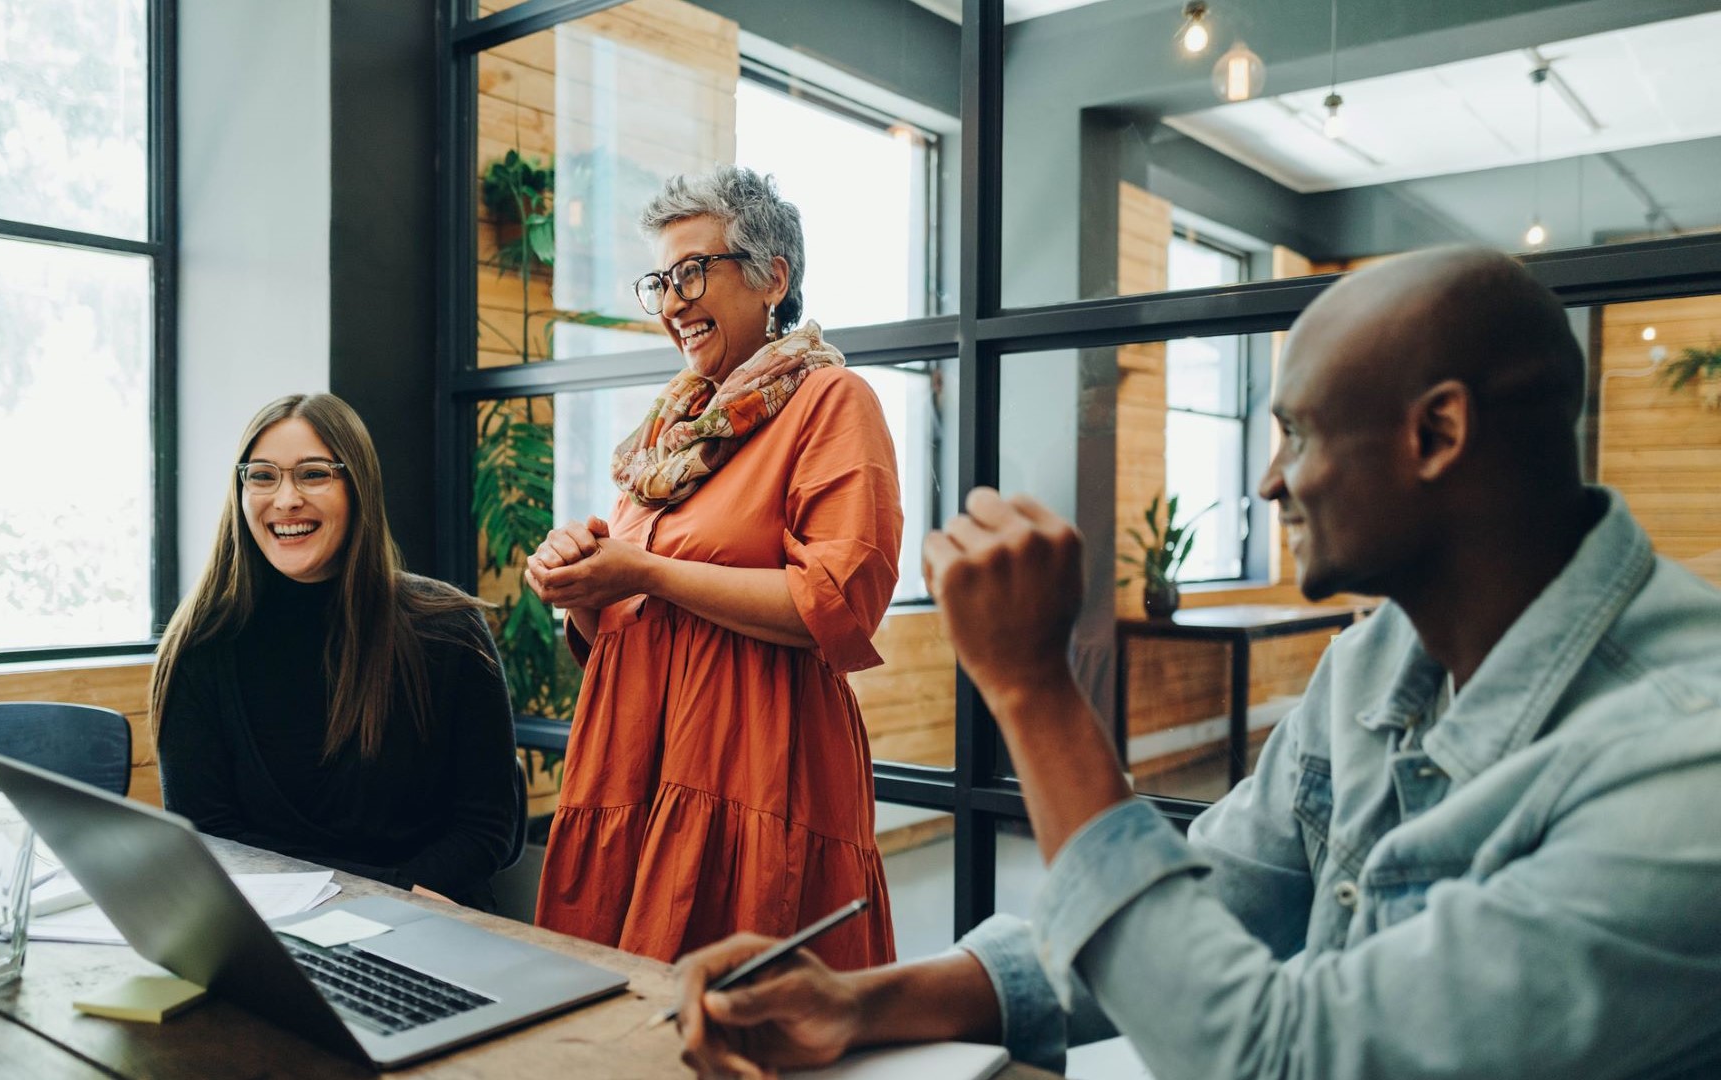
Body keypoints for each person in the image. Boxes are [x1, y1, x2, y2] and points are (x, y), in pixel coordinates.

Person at [671, 246, 1721, 1078]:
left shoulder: (1683, 771)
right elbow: (1198, 911)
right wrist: (866, 1002)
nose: (1270, 483)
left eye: (1297, 433)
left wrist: (1034, 690)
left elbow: (1274, 1053)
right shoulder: (1377, 662)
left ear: (1438, 433)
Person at [525, 166, 901, 968]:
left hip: (755, 771)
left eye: (693, 271)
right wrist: (582, 584)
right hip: (632, 766)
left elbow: (834, 604)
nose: (671, 302)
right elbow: (621, 627)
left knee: (746, 1021)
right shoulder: (670, 435)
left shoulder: (832, 402)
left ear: (774, 278)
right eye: (660, 280)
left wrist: (645, 572)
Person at [152, 393, 520, 911]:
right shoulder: (200, 643)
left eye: (313, 474)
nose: (285, 500)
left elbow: (487, 829)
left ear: (358, 487)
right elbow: (209, 836)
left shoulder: (448, 627)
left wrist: (381, 903)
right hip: (270, 928)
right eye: (262, 476)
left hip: (427, 918)